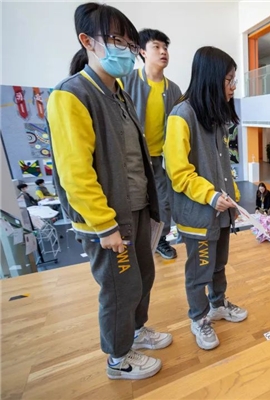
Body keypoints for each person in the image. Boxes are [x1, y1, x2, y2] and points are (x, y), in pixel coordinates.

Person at [47, 3, 171, 380]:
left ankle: (135, 333)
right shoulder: (71, 95)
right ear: (87, 41)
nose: (125, 50)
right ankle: (118, 359)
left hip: (135, 208)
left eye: (129, 43)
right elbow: (75, 173)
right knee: (120, 289)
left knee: (143, 277)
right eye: (116, 40)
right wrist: (104, 225)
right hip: (108, 218)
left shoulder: (119, 93)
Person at [163, 46, 247, 351]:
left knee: (219, 265)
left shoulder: (215, 116)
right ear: (212, 79)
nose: (233, 87)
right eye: (229, 80)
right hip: (199, 215)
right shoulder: (181, 116)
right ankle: (199, 318)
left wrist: (233, 200)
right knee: (199, 271)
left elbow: (225, 168)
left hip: (222, 212)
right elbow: (178, 173)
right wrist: (210, 196)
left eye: (233, 80)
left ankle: (218, 304)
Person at [120, 29, 182, 260]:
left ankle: (161, 240)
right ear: (142, 51)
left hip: (160, 159)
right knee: (133, 201)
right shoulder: (126, 81)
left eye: (165, 47)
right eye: (156, 46)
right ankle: (133, 243)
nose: (163, 51)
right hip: (132, 158)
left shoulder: (173, 89)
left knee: (163, 203)